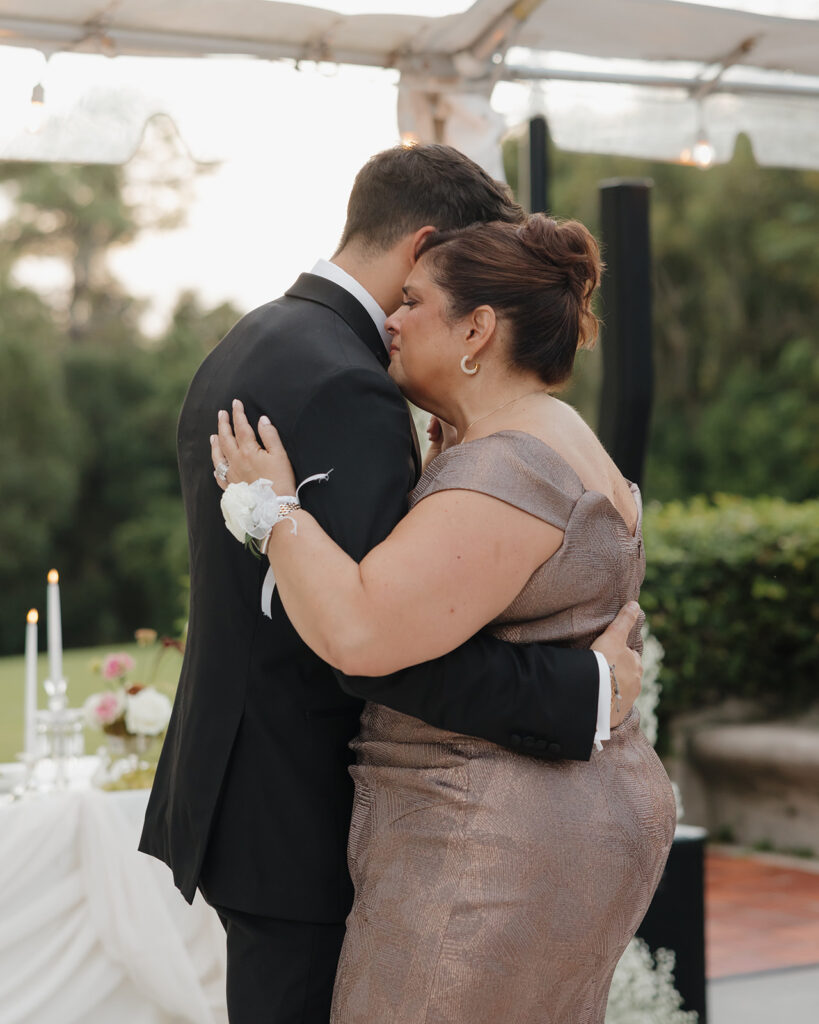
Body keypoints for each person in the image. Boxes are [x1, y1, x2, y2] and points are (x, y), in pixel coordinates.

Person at [139, 144, 643, 1024]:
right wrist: (583, 690)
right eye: (422, 288)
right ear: (426, 246)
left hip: (256, 795)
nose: (408, 317)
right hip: (304, 815)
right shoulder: (345, 378)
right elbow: (371, 641)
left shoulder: (256, 339)